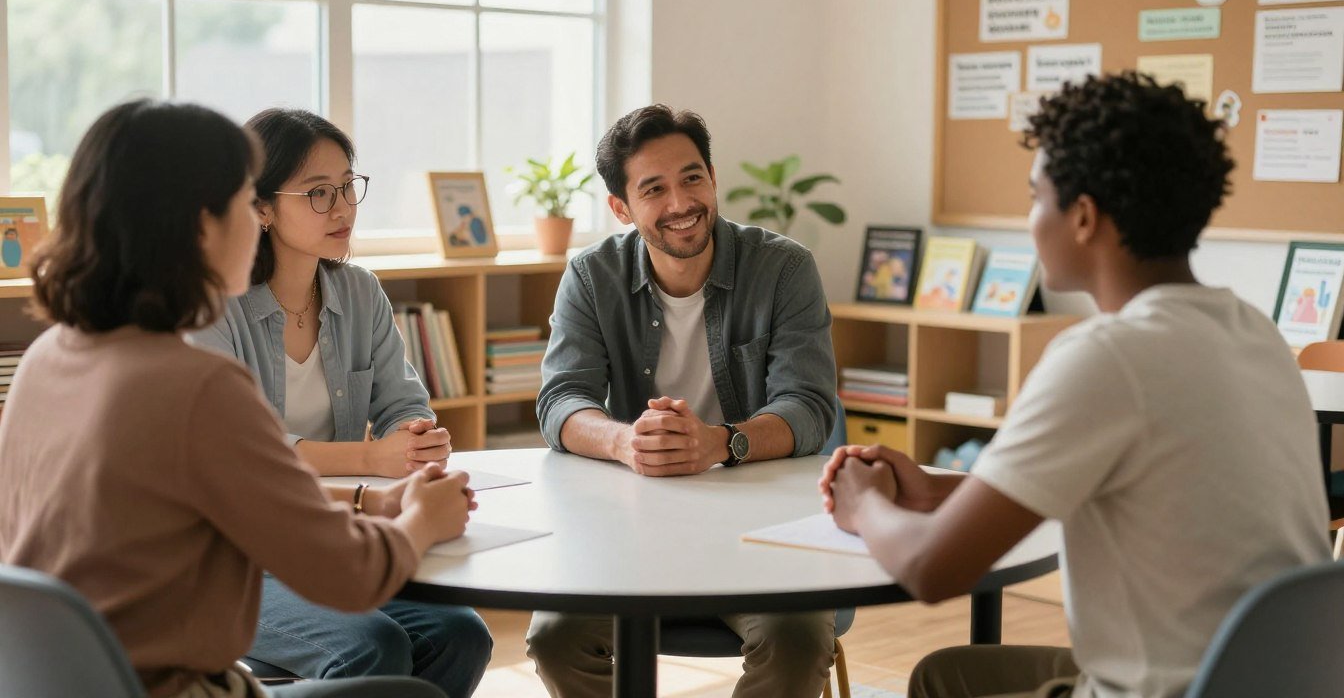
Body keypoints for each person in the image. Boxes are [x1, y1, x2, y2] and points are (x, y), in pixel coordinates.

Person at [820, 72, 1331, 698]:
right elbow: (1135, 492)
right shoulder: (1253, 333)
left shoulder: (1106, 356)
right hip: (1277, 681)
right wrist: (935, 489)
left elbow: (931, 569)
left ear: (1084, 216)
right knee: (948, 673)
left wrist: (862, 504)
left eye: (1037, 197)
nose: (1031, 219)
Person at [0, 98, 475, 698]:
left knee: (451, 635)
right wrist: (421, 522)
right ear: (204, 225)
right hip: (179, 688)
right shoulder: (195, 383)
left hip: (62, 681)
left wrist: (364, 501)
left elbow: (214, 489)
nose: (255, 223)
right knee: (406, 687)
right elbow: (353, 576)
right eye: (244, 206)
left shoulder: (49, 358)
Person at [527, 104, 839, 698]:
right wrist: (624, 441)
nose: (680, 203)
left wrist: (718, 443)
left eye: (692, 177)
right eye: (654, 188)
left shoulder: (784, 268)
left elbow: (809, 407)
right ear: (621, 208)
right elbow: (561, 400)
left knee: (796, 639)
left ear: (714, 177)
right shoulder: (592, 276)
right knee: (556, 637)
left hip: (762, 527)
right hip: (632, 530)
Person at [188, 108, 491, 696]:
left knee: (463, 635)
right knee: (372, 644)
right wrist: (373, 459)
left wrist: (415, 437)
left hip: (332, 531)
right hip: (236, 558)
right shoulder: (216, 307)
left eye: (349, 186)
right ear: (262, 208)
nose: (344, 208)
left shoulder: (360, 290)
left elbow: (404, 400)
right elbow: (245, 457)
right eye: (319, 194)